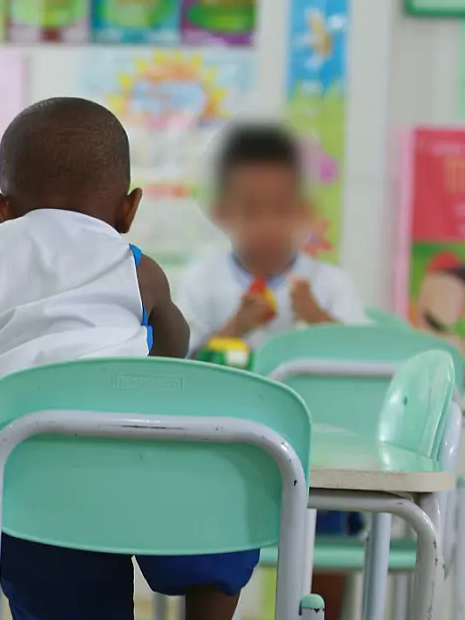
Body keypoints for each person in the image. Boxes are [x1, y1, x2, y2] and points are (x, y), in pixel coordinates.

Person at [0, 97, 250, 620]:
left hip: (5, 470)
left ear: (3, 208)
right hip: (121, 455)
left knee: (71, 603)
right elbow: (175, 337)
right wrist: (150, 384)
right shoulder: (134, 266)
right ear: (129, 208)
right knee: (214, 521)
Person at [174, 123, 368, 617]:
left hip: (321, 456)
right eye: (251, 210)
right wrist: (233, 327)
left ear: (303, 213)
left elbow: (365, 367)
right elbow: (178, 370)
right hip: (224, 454)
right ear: (222, 212)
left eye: (281, 209)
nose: (267, 224)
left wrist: (320, 320)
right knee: (203, 530)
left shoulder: (327, 285)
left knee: (329, 533)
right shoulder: (202, 282)